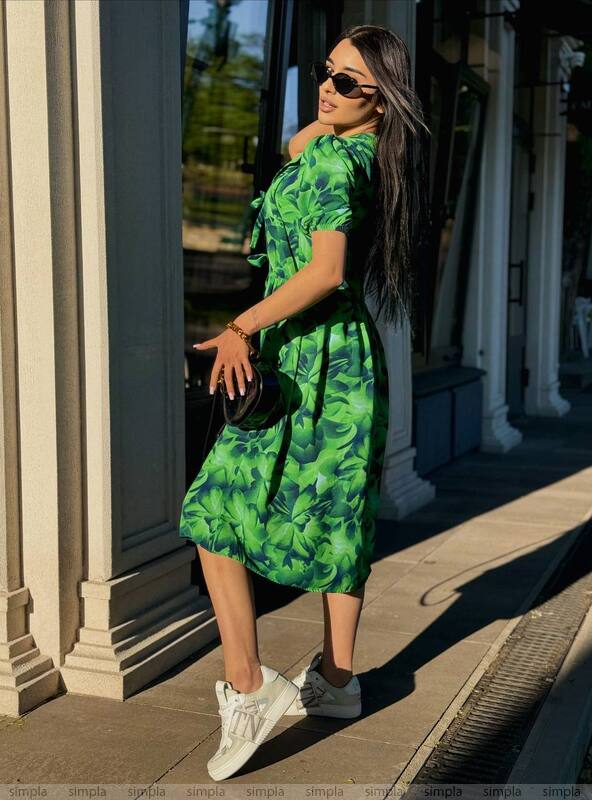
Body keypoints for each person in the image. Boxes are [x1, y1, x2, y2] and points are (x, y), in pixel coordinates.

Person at [178, 23, 430, 782]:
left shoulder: (332, 169)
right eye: (326, 72)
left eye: (348, 82)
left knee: (212, 512)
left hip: (307, 356)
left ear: (381, 104)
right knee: (339, 516)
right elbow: (297, 144)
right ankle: (338, 682)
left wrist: (239, 325)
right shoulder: (353, 155)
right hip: (344, 361)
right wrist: (345, 101)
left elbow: (323, 272)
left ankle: (252, 688)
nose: (326, 87)